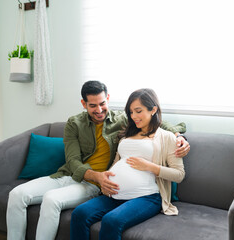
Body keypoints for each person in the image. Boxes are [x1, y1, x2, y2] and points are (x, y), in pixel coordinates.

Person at [6, 81, 189, 240]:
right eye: (93, 105)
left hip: (131, 191)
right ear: (83, 104)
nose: (99, 109)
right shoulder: (81, 124)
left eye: (102, 103)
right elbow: (74, 160)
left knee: (58, 202)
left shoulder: (128, 122)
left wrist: (178, 136)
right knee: (19, 195)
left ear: (108, 99)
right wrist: (102, 178)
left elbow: (157, 123)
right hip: (81, 178)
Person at [70, 88, 185, 240]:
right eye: (131, 112)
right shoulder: (127, 134)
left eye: (138, 111)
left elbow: (179, 174)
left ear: (153, 109)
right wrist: (106, 180)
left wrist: (149, 166)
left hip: (147, 196)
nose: (134, 116)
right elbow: (117, 163)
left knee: (111, 221)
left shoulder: (167, 137)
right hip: (114, 194)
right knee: (79, 214)